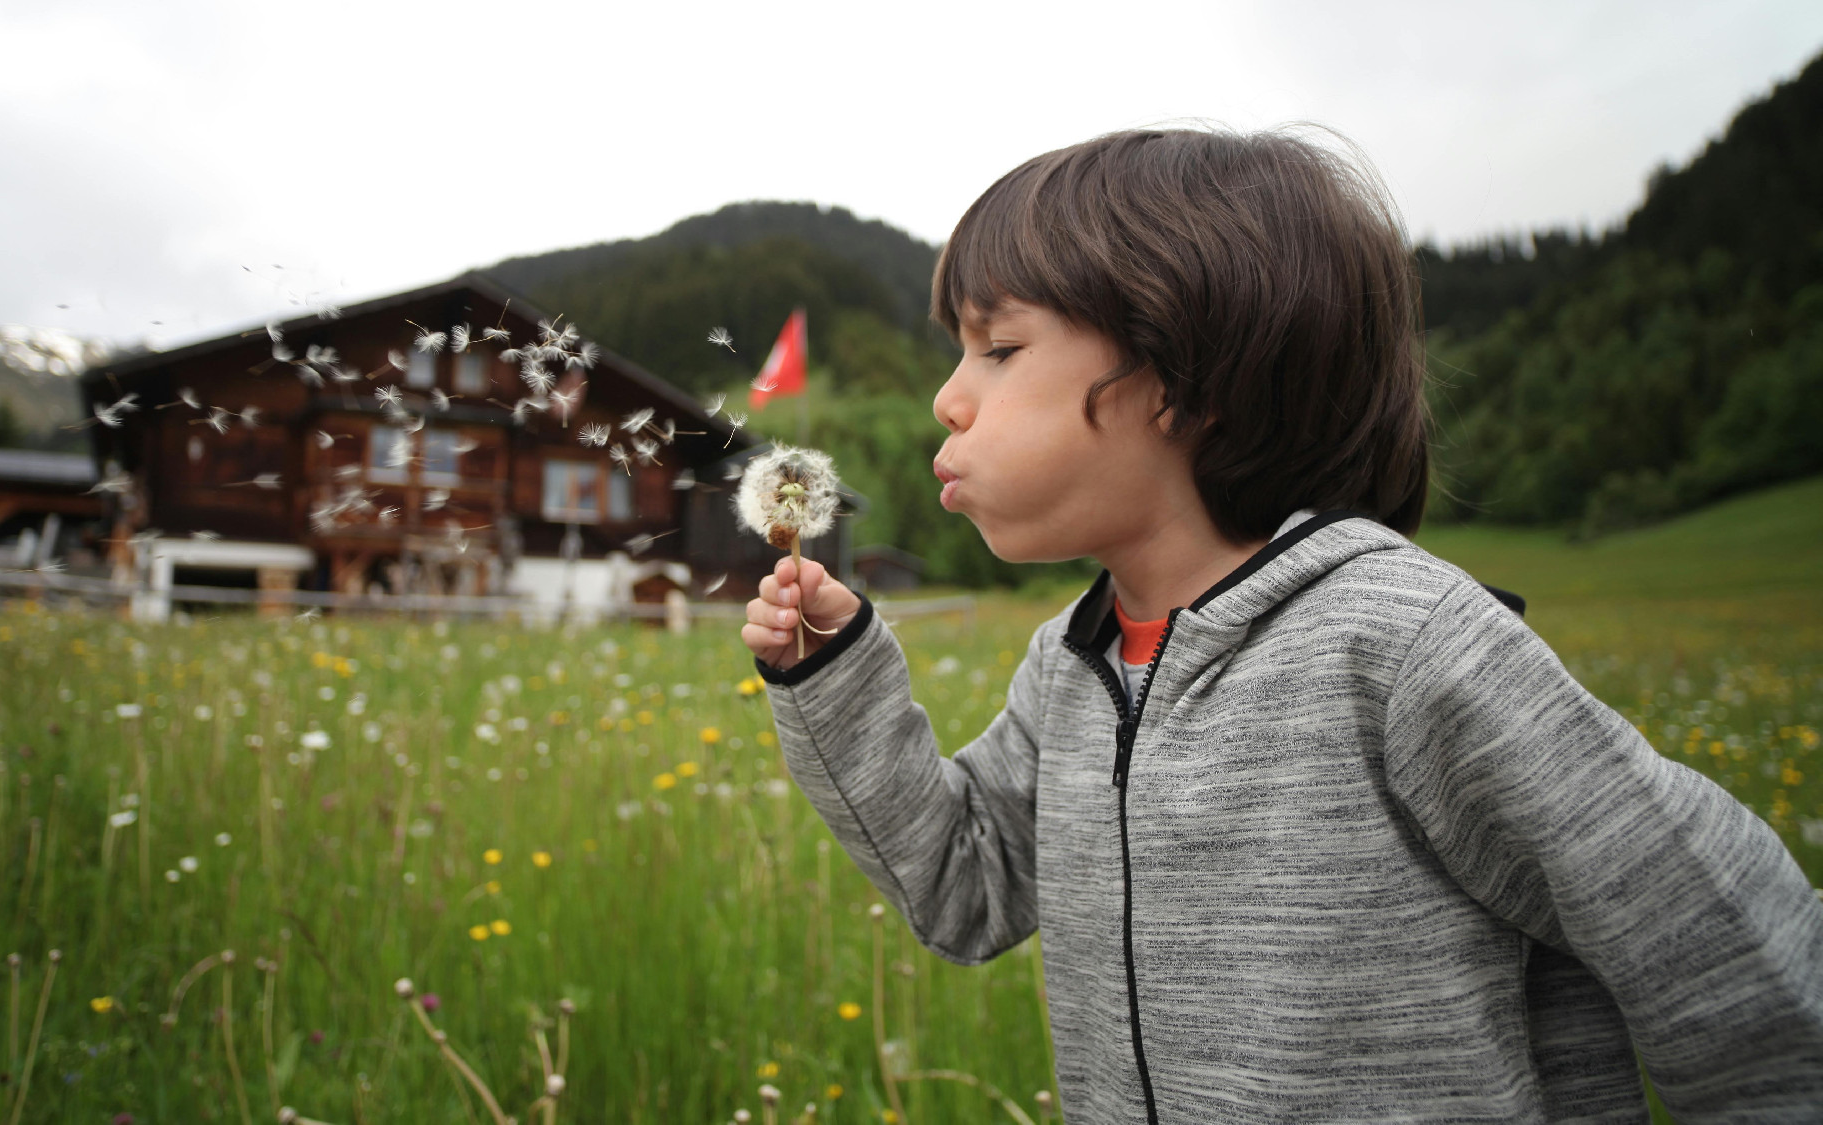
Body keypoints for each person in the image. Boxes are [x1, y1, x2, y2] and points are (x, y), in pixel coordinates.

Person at [740, 128, 1823, 1122]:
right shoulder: (1071, 666)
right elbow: (961, 888)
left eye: (998, 349)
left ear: (1179, 375)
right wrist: (833, 675)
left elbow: (1727, 951)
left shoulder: (1400, 646)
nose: (947, 398)